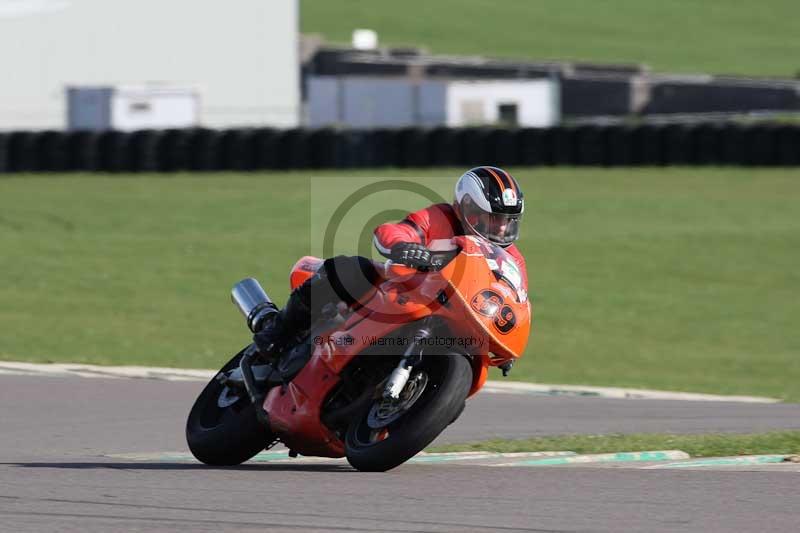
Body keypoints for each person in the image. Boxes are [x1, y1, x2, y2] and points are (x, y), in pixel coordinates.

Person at [253, 166, 527, 357]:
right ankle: (277, 333)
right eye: (493, 218)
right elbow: (393, 231)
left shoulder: (512, 259)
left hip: (457, 317)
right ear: (466, 206)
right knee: (348, 267)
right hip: (403, 290)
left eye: (507, 221)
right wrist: (405, 248)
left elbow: (517, 299)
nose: (501, 229)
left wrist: (505, 344)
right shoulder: (439, 217)